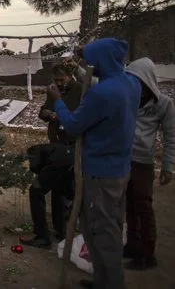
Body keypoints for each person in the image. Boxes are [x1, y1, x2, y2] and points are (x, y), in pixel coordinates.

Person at [47, 38, 141, 289]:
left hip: (99, 173)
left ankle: (112, 284)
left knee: (102, 234)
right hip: (120, 169)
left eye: (91, 59)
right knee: (106, 228)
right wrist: (81, 57)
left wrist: (58, 100)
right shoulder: (130, 83)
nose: (88, 64)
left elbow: (73, 126)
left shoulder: (101, 94)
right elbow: (96, 79)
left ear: (100, 60)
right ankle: (103, 281)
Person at [22, 64, 82, 248]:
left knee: (39, 188)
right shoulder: (54, 91)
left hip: (71, 147)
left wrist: (59, 115)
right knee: (58, 189)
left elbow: (78, 120)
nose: (57, 83)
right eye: (55, 79)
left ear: (70, 76)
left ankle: (43, 235)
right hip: (55, 146)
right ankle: (60, 230)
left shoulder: (81, 91)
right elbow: (43, 111)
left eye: (61, 79)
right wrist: (47, 114)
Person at [123, 57, 175, 270]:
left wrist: (168, 166)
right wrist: (80, 68)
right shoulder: (128, 97)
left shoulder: (163, 103)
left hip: (143, 163)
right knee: (129, 205)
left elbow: (171, 136)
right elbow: (98, 82)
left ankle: (148, 253)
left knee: (143, 206)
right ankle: (133, 245)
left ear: (147, 80)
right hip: (124, 159)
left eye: (139, 81)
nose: (136, 85)